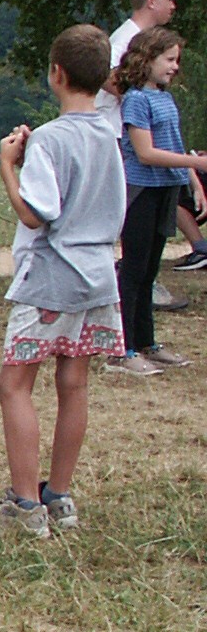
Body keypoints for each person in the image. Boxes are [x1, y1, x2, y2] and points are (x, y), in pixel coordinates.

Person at [0, 26, 123, 537]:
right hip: (99, 275)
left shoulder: (50, 138)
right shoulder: (109, 134)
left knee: (14, 384)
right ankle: (60, 497)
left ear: (56, 74)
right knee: (74, 383)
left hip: (53, 277)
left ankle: (25, 506)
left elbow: (36, 214)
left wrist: (9, 166)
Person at [105, 25, 207, 375]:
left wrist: (192, 180)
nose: (174, 67)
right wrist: (197, 164)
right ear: (146, 59)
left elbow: (174, 144)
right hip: (142, 191)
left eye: (176, 60)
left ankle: (147, 342)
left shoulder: (164, 97)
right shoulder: (136, 99)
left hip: (166, 189)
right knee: (133, 269)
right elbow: (146, 153)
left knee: (149, 270)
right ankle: (123, 349)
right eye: (169, 59)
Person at [104, 0, 207, 274]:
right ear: (152, 1)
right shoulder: (125, 40)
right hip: (120, 137)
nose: (174, 6)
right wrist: (141, 101)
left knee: (151, 247)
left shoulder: (159, 91)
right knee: (135, 230)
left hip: (150, 150)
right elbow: (109, 80)